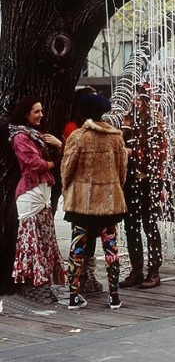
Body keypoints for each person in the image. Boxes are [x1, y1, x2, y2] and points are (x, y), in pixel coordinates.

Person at [61, 93, 129, 310]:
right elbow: (122, 171)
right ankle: (114, 295)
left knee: (77, 248)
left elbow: (67, 168)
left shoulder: (78, 137)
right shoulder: (116, 137)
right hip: (109, 203)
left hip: (81, 203)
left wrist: (67, 189)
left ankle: (73, 296)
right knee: (111, 248)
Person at [8, 96, 66, 303]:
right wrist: (57, 158)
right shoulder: (20, 137)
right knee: (31, 241)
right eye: (36, 112)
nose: (41, 115)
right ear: (25, 114)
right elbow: (36, 164)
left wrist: (58, 149)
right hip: (30, 193)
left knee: (44, 239)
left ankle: (42, 284)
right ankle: (34, 284)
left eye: (41, 111)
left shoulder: (38, 135)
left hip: (42, 192)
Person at [120, 85, 167, 289]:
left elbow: (158, 155)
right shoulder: (128, 124)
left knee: (149, 226)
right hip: (130, 182)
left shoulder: (154, 127)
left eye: (139, 99)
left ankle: (153, 271)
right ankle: (136, 269)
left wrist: (134, 154)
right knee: (131, 225)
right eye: (134, 99)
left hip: (149, 181)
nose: (135, 103)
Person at [60, 86, 104, 293]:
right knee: (81, 235)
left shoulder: (85, 130)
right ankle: (79, 277)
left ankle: (86, 276)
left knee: (90, 235)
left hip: (90, 191)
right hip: (84, 192)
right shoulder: (74, 130)